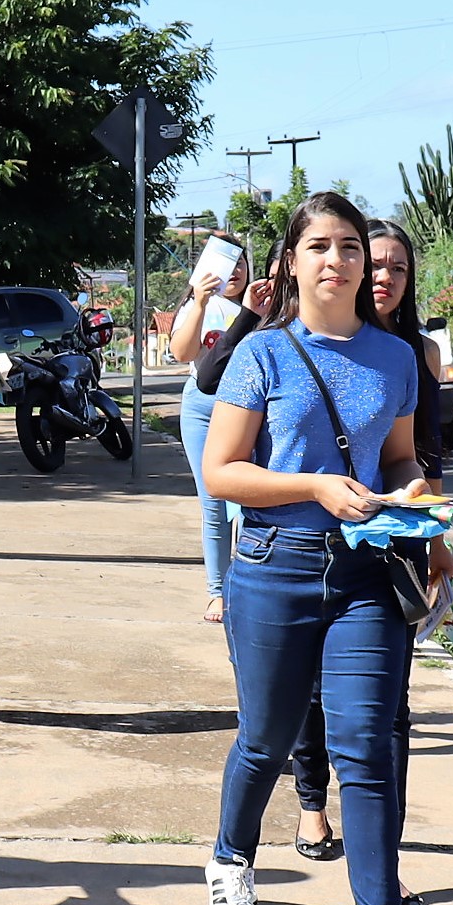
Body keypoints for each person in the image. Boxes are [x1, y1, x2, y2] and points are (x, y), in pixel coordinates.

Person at [201, 191, 431, 905]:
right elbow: (221, 471)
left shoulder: (397, 358)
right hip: (274, 564)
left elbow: (399, 458)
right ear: (291, 263)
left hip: (366, 572)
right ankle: (231, 856)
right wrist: (314, 485)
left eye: (350, 248)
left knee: (366, 748)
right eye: (320, 247)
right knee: (265, 738)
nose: (338, 260)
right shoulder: (263, 354)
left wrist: (414, 491)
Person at [286, 219, 453, 905]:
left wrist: (439, 530)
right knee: (311, 697)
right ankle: (310, 804)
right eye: (372, 261)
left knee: (388, 715)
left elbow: (426, 450)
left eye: (397, 269)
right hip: (302, 547)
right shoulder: (295, 339)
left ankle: (383, 870)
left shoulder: (412, 353)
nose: (382, 277)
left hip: (392, 544)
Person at [168, 234, 253, 623]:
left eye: (240, 263)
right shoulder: (198, 305)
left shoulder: (263, 305)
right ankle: (218, 591)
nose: (233, 272)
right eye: (225, 264)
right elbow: (182, 353)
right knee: (214, 504)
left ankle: (249, 584)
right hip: (203, 407)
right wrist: (200, 302)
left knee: (248, 501)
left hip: (250, 409)